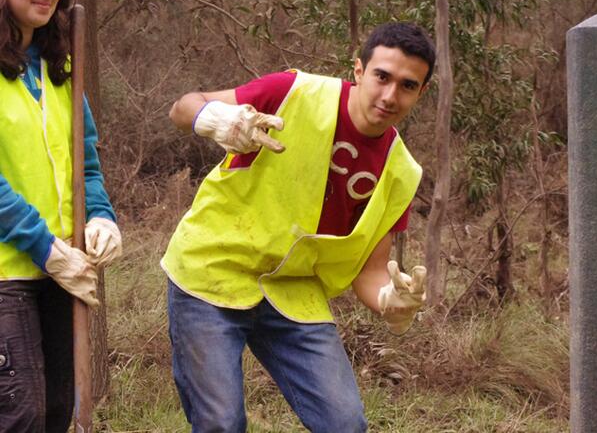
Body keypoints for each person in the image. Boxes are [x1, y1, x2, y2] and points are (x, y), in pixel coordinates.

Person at [163, 22, 434, 432]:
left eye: (407, 85)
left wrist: (391, 300)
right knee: (221, 422)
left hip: (293, 290)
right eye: (382, 76)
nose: (390, 95)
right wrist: (215, 118)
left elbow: (371, 271)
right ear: (359, 70)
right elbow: (183, 107)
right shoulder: (294, 92)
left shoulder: (401, 171)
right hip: (211, 271)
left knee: (345, 424)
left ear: (421, 92)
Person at [0, 0, 122, 431]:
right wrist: (44, 246)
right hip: (7, 273)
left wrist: (100, 214)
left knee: (55, 412)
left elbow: (84, 162)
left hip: (61, 269)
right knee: (21, 416)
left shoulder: (61, 69)